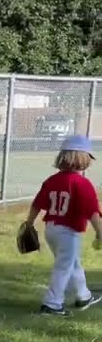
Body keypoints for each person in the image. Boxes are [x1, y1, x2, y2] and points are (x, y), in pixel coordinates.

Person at [23, 135, 102, 316]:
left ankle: (83, 295)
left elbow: (37, 204)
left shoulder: (52, 180)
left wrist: (29, 223)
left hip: (51, 230)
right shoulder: (82, 183)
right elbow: (92, 212)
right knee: (64, 267)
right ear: (82, 159)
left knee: (72, 262)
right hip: (68, 232)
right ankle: (52, 304)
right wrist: (99, 232)